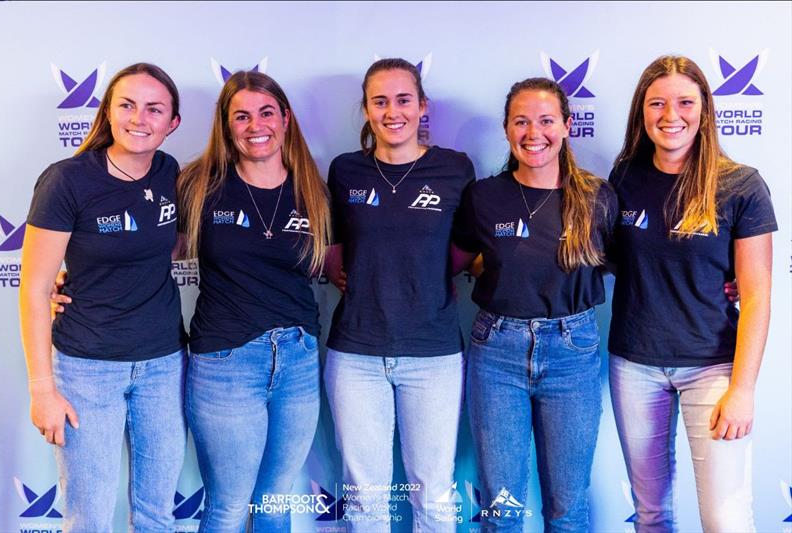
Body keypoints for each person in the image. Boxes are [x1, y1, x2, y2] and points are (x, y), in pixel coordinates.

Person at [607, 55, 776, 532]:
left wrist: (743, 390)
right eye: (657, 103)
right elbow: (616, 257)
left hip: (713, 368)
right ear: (642, 112)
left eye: (684, 102)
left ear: (705, 110)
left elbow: (758, 294)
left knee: (725, 517)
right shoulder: (624, 178)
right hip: (635, 365)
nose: (670, 115)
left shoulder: (740, 184)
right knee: (651, 513)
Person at [19, 63, 186, 532]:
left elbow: (166, 245)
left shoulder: (169, 172)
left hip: (164, 364)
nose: (140, 118)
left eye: (155, 109)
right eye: (127, 105)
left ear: (172, 123)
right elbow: (34, 289)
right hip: (88, 369)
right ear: (108, 113)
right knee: (89, 517)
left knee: (158, 515)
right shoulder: (67, 180)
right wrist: (42, 390)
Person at [451, 77, 617, 531]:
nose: (533, 133)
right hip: (497, 352)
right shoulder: (483, 196)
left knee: (567, 508)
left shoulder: (598, 197)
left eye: (546, 121)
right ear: (507, 129)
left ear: (566, 126)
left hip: (573, 353)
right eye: (521, 121)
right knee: (502, 509)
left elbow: (639, 263)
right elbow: (454, 260)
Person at [323, 58, 475, 532]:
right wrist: (347, 273)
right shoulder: (345, 170)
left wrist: (423, 276)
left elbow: (467, 247)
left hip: (433, 353)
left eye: (404, 99)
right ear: (367, 110)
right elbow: (332, 247)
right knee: (365, 497)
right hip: (356, 353)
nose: (393, 112)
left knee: (433, 491)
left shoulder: (453, 168)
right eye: (380, 101)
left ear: (422, 105)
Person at [176, 70, 330, 532]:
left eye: (265, 112)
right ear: (226, 125)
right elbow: (146, 252)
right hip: (226, 362)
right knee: (228, 504)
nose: (254, 125)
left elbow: (339, 266)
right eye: (240, 116)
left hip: (299, 360)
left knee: (275, 501)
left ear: (284, 118)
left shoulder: (313, 189)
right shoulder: (198, 186)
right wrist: (74, 277)